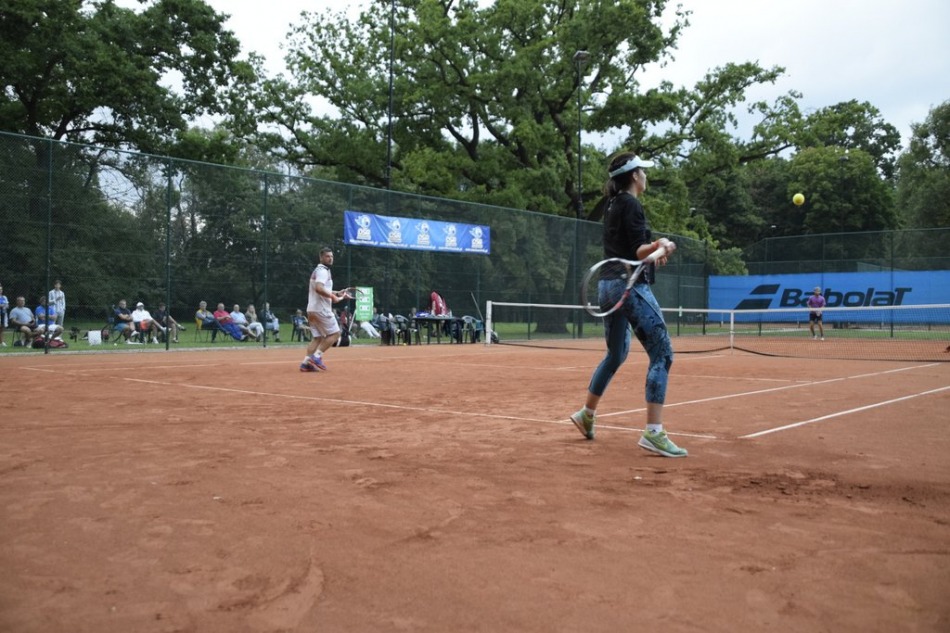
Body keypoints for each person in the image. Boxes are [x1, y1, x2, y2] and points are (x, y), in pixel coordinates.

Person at [569, 153, 687, 458]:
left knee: (616, 354)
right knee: (662, 354)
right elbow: (637, 250)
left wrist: (653, 250)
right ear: (634, 175)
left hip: (608, 286)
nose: (645, 175)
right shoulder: (631, 204)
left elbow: (633, 249)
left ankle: (586, 414)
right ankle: (654, 433)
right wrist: (662, 245)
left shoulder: (613, 204)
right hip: (628, 287)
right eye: (642, 171)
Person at [299, 247, 352, 372]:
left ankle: (305, 363)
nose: (330, 259)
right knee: (335, 334)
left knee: (317, 338)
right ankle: (317, 357)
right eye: (327, 256)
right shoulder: (323, 271)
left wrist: (337, 293)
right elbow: (319, 288)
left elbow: (322, 289)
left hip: (312, 309)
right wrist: (332, 297)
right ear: (321, 257)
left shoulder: (318, 270)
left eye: (332, 256)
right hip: (321, 309)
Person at [0, 282, 8, 347]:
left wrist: (3, 306)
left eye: (1, 289)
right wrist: (2, 305)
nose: (0, 290)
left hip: (3, 314)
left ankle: (2, 342)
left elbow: (7, 305)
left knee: (2, 328)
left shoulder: (4, 297)